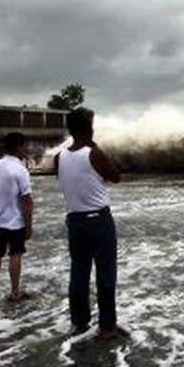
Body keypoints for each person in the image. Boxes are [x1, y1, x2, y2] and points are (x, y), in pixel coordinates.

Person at [55, 107, 128, 339]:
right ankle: (107, 327)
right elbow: (115, 177)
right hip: (98, 221)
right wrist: (95, 146)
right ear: (88, 127)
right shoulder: (94, 154)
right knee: (105, 273)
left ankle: (79, 322)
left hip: (75, 222)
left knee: (79, 272)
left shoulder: (59, 157)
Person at [0, 132, 34, 301]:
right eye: (24, 146)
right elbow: (27, 200)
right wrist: (29, 226)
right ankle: (15, 292)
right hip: (15, 222)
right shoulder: (20, 170)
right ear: (18, 147)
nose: (26, 150)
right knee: (15, 254)